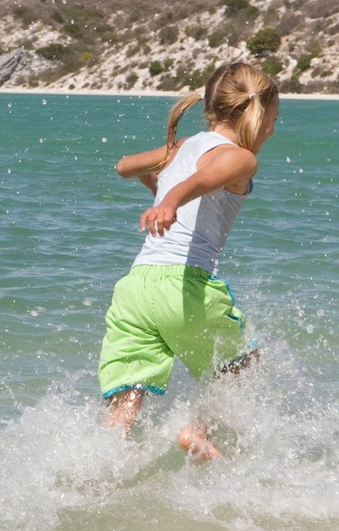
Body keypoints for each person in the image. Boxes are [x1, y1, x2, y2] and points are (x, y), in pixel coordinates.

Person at [97, 61, 279, 461]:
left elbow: (125, 166)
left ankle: (104, 465)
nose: (272, 130)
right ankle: (198, 431)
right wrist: (170, 200)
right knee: (243, 363)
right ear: (258, 114)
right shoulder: (241, 159)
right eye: (274, 120)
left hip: (135, 289)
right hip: (182, 284)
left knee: (127, 399)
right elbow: (203, 179)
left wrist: (161, 184)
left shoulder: (181, 148)